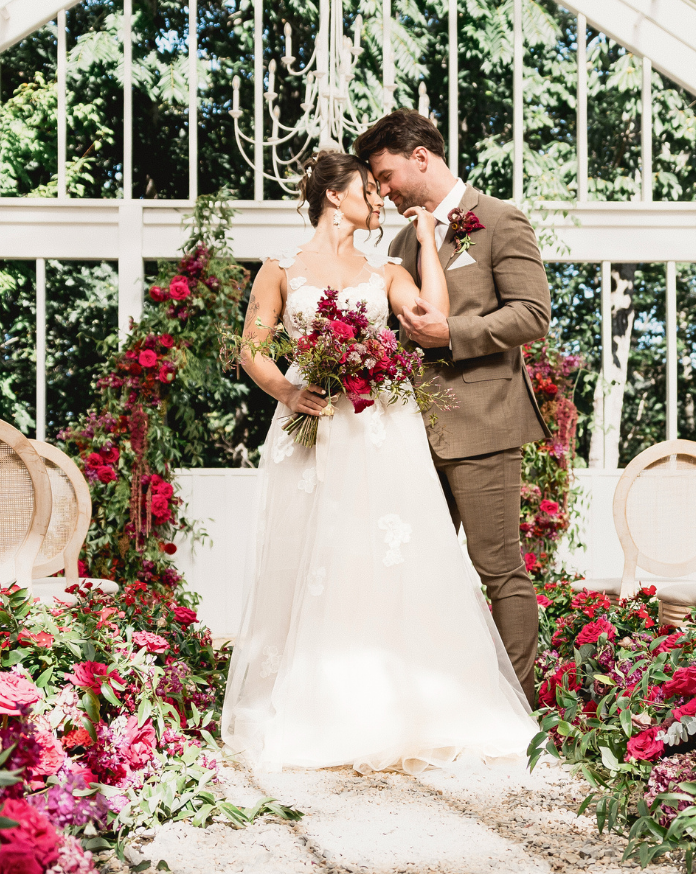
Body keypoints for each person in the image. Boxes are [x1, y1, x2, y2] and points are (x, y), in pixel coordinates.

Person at [222, 150, 537, 773]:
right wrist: (287, 390)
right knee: (313, 553)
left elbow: (433, 316)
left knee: (390, 558)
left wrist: (424, 237)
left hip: (381, 428)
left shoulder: (389, 266)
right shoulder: (278, 270)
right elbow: (252, 347)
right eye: (369, 188)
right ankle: (318, 699)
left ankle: (403, 699)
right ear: (334, 197)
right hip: (311, 423)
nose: (381, 198)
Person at [354, 110, 551, 708]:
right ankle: (437, 702)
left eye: (386, 175)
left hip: (485, 423)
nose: (382, 191)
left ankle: (515, 708)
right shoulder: (397, 243)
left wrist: (453, 333)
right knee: (417, 570)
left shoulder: (499, 220)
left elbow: (531, 316)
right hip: (414, 432)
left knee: (498, 567)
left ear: (421, 156)